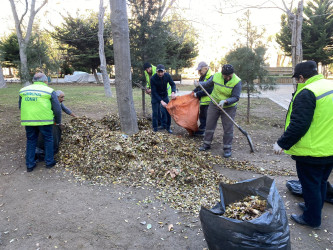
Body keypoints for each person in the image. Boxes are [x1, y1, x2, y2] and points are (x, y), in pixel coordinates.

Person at [273, 60, 333, 229]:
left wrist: (282, 143)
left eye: (297, 79)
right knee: (320, 182)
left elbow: (299, 124)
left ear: (301, 77)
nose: (297, 82)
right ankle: (314, 208)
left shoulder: (307, 92)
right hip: (330, 148)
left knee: (310, 186)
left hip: (312, 152)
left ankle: (311, 219)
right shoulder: (329, 87)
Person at [195, 64, 242, 158]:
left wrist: (226, 101)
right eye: (226, 76)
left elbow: (236, 97)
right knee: (209, 124)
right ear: (222, 74)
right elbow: (207, 84)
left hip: (229, 107)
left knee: (228, 128)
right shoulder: (216, 76)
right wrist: (199, 84)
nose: (228, 78)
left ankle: (227, 148)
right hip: (214, 104)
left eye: (230, 76)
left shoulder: (237, 81)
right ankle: (206, 144)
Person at [19, 73, 61, 172]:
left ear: (34, 80)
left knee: (31, 141)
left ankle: (30, 164)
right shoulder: (49, 91)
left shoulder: (23, 90)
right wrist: (58, 122)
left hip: (28, 120)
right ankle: (49, 162)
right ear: (45, 81)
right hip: (45, 121)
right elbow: (57, 108)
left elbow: (20, 106)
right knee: (48, 140)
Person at [150, 64, 176, 133]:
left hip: (164, 95)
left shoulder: (167, 76)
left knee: (168, 111)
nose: (160, 73)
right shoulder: (153, 79)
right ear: (156, 71)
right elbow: (154, 92)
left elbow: (173, 84)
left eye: (162, 72)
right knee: (155, 112)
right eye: (159, 72)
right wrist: (161, 101)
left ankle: (167, 127)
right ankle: (155, 128)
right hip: (155, 96)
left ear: (164, 71)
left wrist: (173, 92)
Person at [192, 61, 214, 136]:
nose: (199, 72)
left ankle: (207, 133)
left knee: (208, 118)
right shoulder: (202, 76)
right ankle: (201, 131)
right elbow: (200, 87)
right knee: (202, 117)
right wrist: (193, 91)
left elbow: (209, 90)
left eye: (200, 70)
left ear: (205, 68)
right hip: (203, 102)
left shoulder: (211, 76)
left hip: (209, 101)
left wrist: (197, 94)